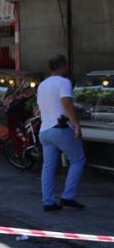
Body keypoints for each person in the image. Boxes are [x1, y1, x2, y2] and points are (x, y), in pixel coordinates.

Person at [38, 54, 86, 212]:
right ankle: (68, 196)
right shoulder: (64, 82)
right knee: (78, 160)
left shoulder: (42, 84)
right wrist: (76, 124)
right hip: (60, 128)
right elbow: (66, 103)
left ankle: (48, 201)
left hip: (44, 130)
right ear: (63, 66)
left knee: (48, 166)